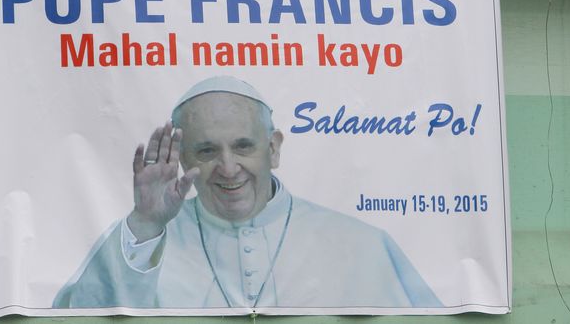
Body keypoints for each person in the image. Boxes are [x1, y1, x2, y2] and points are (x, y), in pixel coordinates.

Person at [54, 76, 441, 309]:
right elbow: (80, 315)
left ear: (273, 148)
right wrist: (145, 223)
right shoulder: (143, 238)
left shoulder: (362, 244)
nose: (227, 167)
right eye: (206, 151)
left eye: (243, 146)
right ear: (181, 156)